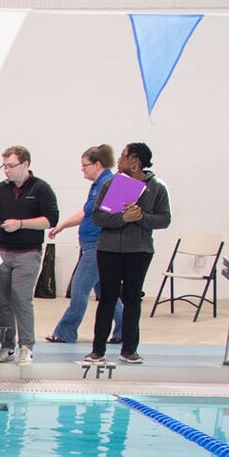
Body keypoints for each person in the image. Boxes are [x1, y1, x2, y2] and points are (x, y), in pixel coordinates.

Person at [90, 142, 172, 365]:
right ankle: (98, 349)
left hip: (139, 251)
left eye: (124, 156)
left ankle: (129, 349)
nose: (119, 160)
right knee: (107, 297)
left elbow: (165, 219)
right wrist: (122, 219)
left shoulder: (156, 188)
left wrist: (142, 217)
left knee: (133, 298)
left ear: (135, 162)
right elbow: (97, 217)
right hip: (109, 250)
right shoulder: (110, 184)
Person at [0, 145, 58, 366]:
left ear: (25, 164)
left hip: (27, 253)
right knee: (3, 302)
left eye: (11, 166)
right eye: (4, 166)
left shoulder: (41, 189)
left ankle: (26, 346)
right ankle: (7, 344)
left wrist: (21, 224)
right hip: (1, 253)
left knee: (21, 299)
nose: (7, 171)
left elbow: (51, 220)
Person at [47, 143, 124, 346]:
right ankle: (124, 330)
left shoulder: (110, 183)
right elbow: (86, 212)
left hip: (98, 246)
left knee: (79, 290)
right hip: (90, 244)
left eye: (85, 165)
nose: (82, 169)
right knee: (107, 293)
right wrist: (62, 225)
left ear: (97, 164)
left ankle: (66, 332)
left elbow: (112, 217)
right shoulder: (97, 185)